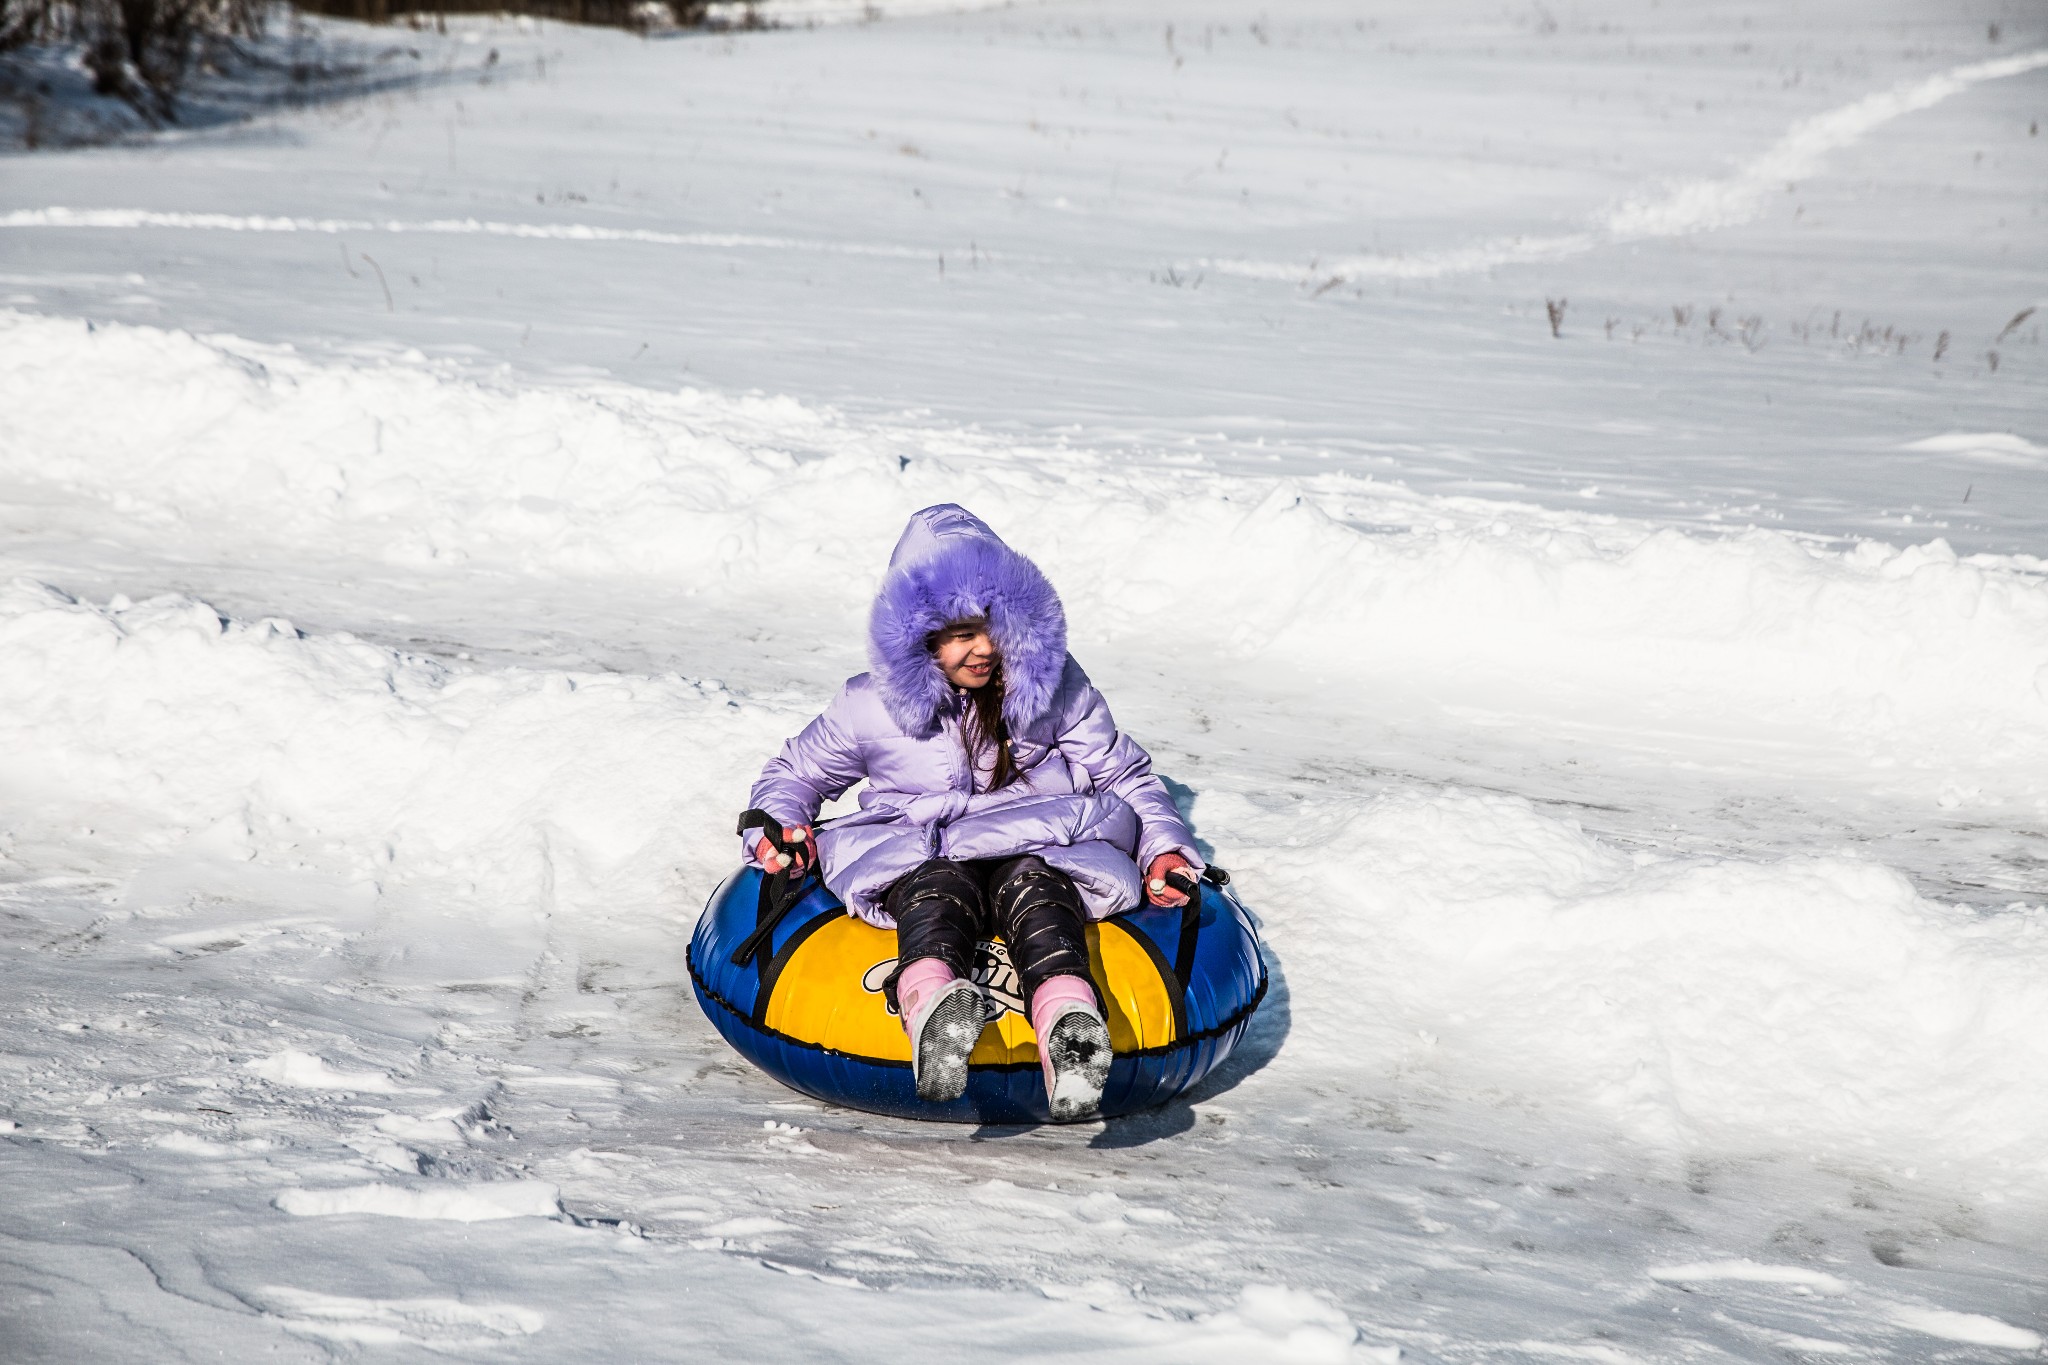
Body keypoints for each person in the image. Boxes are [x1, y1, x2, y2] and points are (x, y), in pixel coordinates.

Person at [743, 505, 1203, 1122]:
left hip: (1038, 840)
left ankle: (1070, 1027)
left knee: (1037, 889)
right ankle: (934, 1008)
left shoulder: (1053, 686)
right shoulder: (868, 705)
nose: (984, 649)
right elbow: (796, 774)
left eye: (993, 626)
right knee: (935, 885)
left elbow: (1124, 773)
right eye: (961, 634)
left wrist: (1163, 849)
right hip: (925, 847)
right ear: (918, 636)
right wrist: (779, 829)